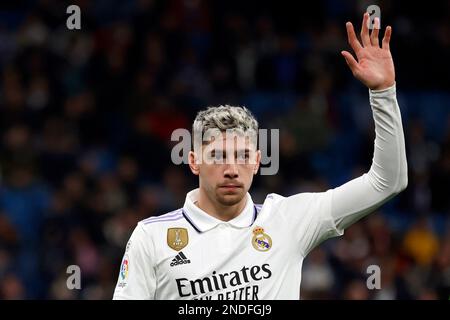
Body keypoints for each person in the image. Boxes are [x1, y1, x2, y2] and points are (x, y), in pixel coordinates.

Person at [113, 13, 407, 300]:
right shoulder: (151, 238)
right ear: (193, 161)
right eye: (217, 156)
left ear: (256, 161)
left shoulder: (288, 220)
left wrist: (383, 93)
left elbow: (387, 181)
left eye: (242, 157)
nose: (231, 169)